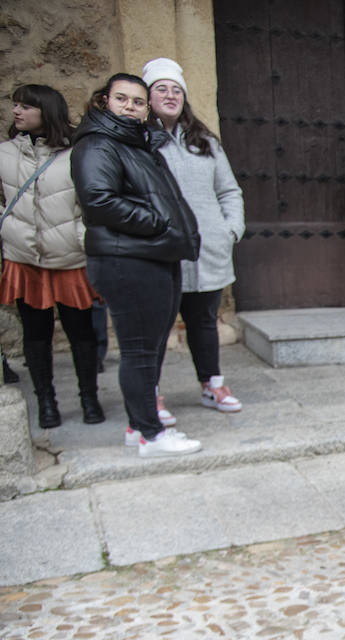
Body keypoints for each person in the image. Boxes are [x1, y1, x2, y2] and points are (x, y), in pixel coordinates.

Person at [72, 73, 202, 457]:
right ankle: (150, 433)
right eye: (122, 98)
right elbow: (98, 200)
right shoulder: (98, 143)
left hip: (151, 256)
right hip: (127, 259)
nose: (130, 106)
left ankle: (138, 424)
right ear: (104, 102)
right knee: (140, 351)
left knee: (151, 348)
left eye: (138, 101)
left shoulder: (136, 143)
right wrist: (158, 222)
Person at [143, 57, 246, 417]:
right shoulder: (138, 140)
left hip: (206, 248)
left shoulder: (204, 141)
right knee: (156, 325)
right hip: (159, 250)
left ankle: (211, 385)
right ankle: (150, 396)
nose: (170, 95)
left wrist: (229, 228)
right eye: (161, 89)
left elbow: (229, 191)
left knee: (204, 322)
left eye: (176, 90)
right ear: (148, 96)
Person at [1, 83, 104, 428]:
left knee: (81, 334)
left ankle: (89, 399)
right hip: (25, 259)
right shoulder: (3, 153)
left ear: (46, 110)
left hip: (70, 258)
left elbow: (91, 201)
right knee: (36, 334)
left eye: (25, 106)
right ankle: (47, 403)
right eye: (15, 105)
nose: (17, 111)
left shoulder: (77, 150)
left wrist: (81, 237)